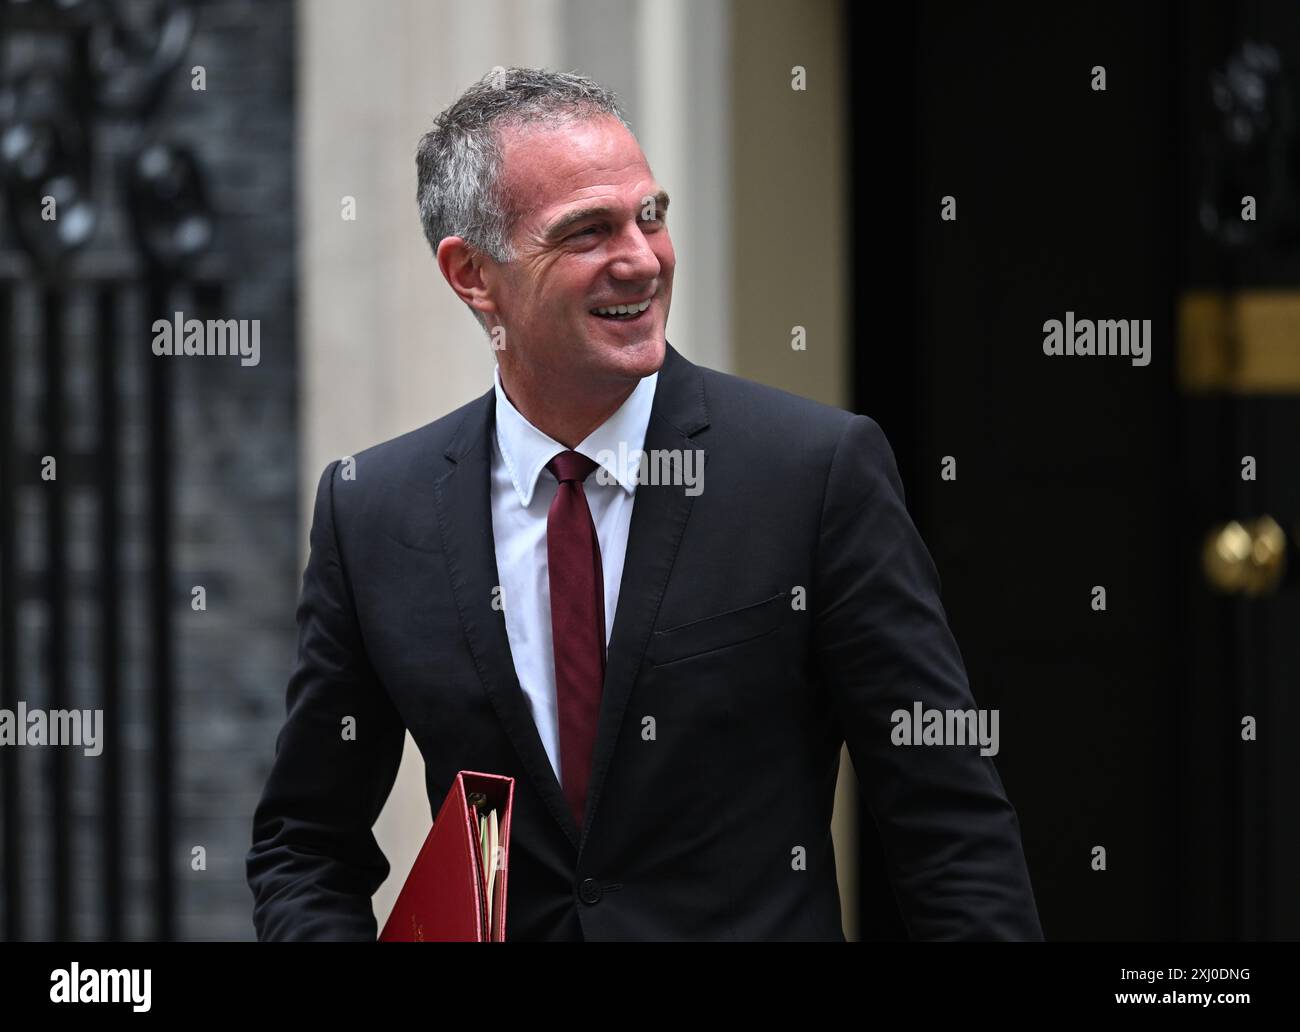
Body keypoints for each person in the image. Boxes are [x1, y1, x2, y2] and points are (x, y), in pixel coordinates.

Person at [246, 67, 1043, 942]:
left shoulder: (812, 474)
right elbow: (306, 845)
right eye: (587, 232)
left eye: (649, 216)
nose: (642, 259)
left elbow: (949, 826)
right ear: (473, 274)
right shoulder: (373, 513)